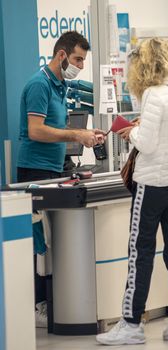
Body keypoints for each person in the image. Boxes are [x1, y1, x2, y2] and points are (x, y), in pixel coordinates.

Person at [96, 37, 168, 345]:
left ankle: (131, 323)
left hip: (152, 185)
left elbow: (147, 143)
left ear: (144, 64)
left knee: (140, 253)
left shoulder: (155, 94)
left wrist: (131, 132)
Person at [17, 31, 105, 327]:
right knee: (40, 240)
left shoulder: (61, 86)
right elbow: (36, 131)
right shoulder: (39, 84)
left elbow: (57, 127)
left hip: (55, 170)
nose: (80, 64)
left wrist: (87, 136)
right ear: (62, 55)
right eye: (78, 58)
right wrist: (74, 134)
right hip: (35, 172)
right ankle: (38, 305)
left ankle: (52, 301)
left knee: (54, 240)